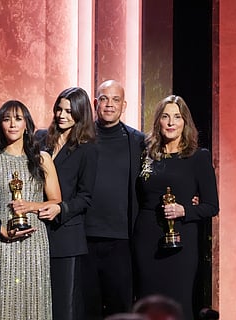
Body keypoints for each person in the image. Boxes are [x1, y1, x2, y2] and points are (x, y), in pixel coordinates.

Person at [133, 95, 219, 319]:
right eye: (165, 116)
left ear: (185, 122)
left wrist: (184, 210)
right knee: (146, 305)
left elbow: (211, 206)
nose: (171, 122)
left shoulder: (198, 157)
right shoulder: (147, 155)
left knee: (177, 304)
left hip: (181, 243)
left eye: (177, 117)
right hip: (146, 241)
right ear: (158, 122)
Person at [0, 100, 62, 320]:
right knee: (3, 302)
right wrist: (1, 230)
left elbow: (56, 201)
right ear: (0, 125)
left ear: (27, 124)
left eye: (18, 118)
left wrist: (32, 206)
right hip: (2, 242)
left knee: (34, 301)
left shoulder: (43, 159)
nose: (12, 124)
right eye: (6, 119)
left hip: (36, 243)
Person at [81, 79, 145, 319]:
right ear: (95, 103)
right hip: (84, 238)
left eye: (115, 99)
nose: (109, 104)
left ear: (124, 105)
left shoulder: (138, 141)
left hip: (122, 241)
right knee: (88, 308)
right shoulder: (81, 137)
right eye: (104, 99)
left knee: (121, 308)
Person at [35, 87, 98, 319]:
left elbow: (85, 196)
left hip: (66, 236)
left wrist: (61, 208)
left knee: (63, 306)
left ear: (80, 114)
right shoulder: (40, 138)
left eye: (69, 111)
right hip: (36, 230)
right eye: (59, 109)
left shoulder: (87, 149)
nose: (62, 115)